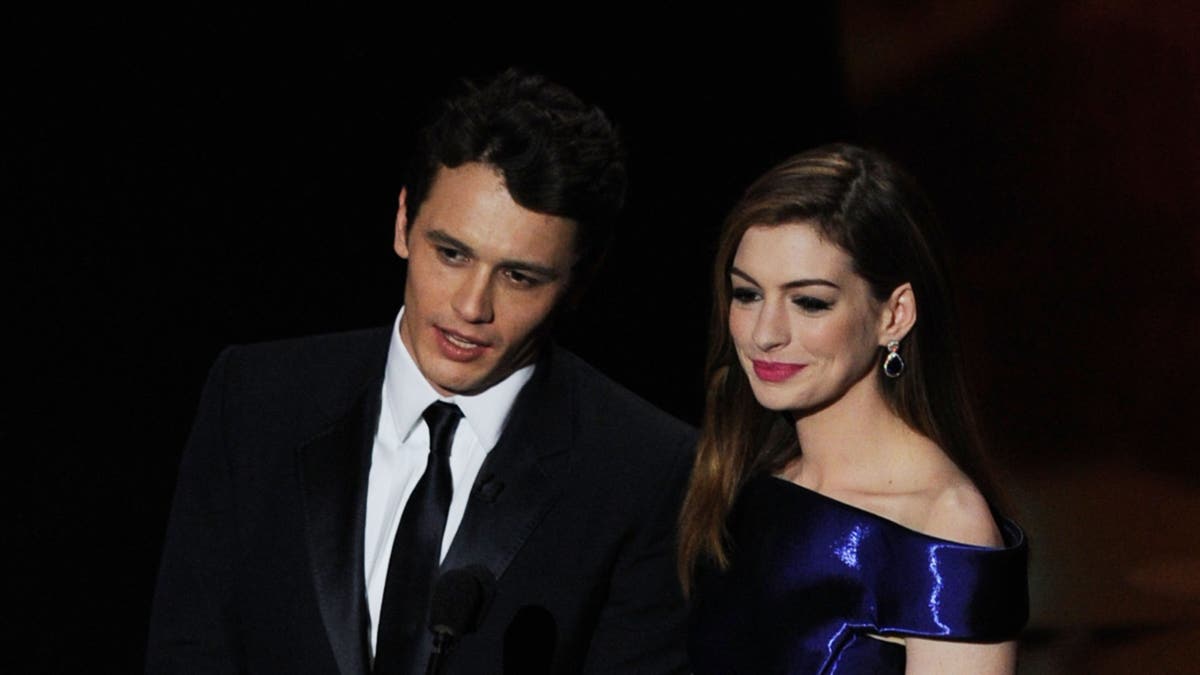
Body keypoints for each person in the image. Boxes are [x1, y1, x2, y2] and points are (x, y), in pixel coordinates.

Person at [146, 70, 696, 674]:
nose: (471, 307)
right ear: (403, 222)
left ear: (578, 283)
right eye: (452, 253)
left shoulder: (646, 468)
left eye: (519, 277)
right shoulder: (255, 397)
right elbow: (188, 649)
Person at [679, 144, 1028, 673]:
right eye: (747, 295)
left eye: (810, 301)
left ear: (894, 315)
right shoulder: (744, 480)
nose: (765, 333)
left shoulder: (944, 529)